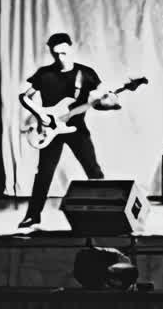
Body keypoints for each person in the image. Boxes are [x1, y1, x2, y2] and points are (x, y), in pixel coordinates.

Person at [17, 33, 118, 229]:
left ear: (71, 48)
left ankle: (107, 213)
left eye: (63, 53)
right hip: (50, 129)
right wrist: (40, 115)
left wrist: (110, 102)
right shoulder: (44, 73)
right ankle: (33, 215)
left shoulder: (86, 74)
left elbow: (99, 102)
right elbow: (25, 97)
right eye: (56, 54)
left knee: (93, 170)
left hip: (76, 128)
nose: (60, 58)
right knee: (44, 173)